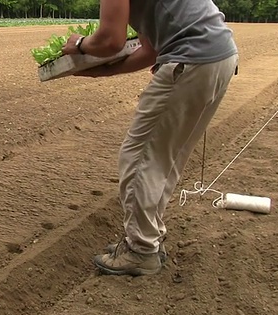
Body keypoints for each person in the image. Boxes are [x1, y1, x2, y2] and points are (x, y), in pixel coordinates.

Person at [61, 0, 239, 276]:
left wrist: (80, 44)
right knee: (164, 158)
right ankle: (148, 238)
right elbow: (151, 50)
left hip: (190, 59)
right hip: (218, 57)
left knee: (140, 156)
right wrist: (101, 71)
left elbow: (110, 40)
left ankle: (141, 250)